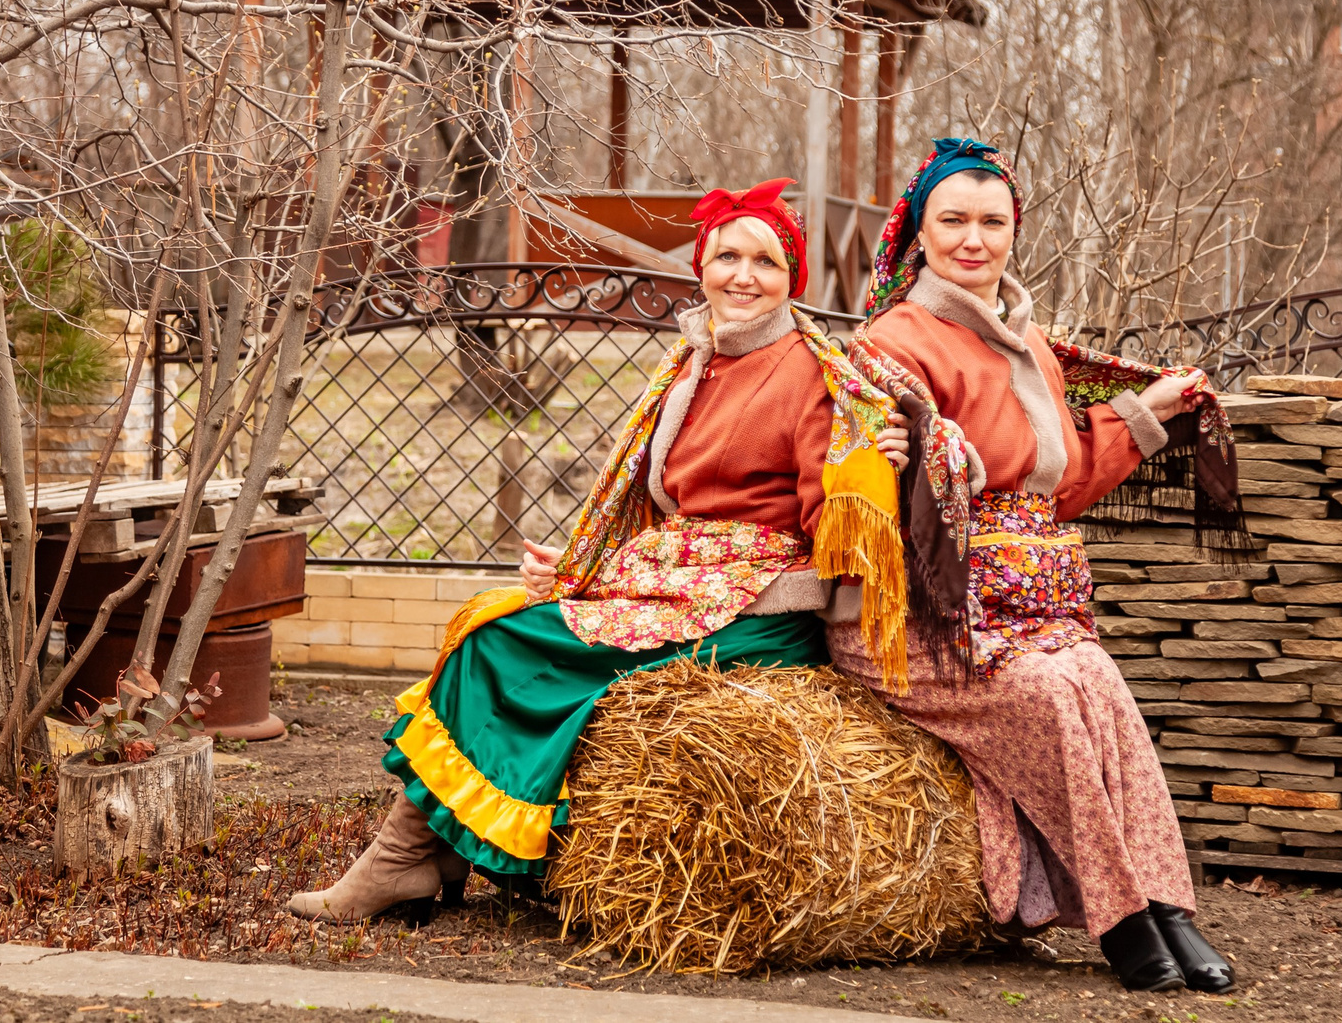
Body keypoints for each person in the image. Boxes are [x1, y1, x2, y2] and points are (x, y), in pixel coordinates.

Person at [286, 178, 910, 924]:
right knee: (494, 623)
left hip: (755, 609)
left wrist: (870, 466)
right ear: (702, 266)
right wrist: (588, 568)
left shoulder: (814, 373)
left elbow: (834, 521)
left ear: (792, 278)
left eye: (766, 262)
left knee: (504, 645)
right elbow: (659, 505)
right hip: (678, 580)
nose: (744, 276)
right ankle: (426, 854)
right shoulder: (689, 364)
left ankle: (404, 859)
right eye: (728, 256)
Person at [830, 137, 1248, 994]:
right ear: (919, 232)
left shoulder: (1035, 348)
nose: (972, 239)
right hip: (922, 618)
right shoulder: (891, 340)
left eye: (992, 220)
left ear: (1015, 231)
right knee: (1054, 698)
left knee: (1100, 683)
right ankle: (1123, 921)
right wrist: (906, 451)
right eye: (953, 220)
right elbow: (857, 469)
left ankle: (1172, 906)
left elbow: (1053, 487)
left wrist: (1145, 410)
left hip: (1033, 611)